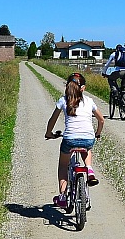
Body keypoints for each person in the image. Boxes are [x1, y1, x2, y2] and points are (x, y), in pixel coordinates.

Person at [44, 72, 104, 208]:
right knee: (87, 148)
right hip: (88, 138)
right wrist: (97, 134)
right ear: (83, 88)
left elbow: (52, 120)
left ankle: (62, 197)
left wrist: (49, 133)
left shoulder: (63, 100)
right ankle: (89, 169)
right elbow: (101, 120)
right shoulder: (89, 101)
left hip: (70, 140)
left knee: (63, 165)